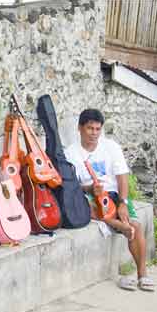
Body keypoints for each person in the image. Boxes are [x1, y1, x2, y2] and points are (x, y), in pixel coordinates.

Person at [65, 108, 154, 292]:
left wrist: (123, 202)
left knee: (135, 227)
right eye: (90, 129)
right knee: (85, 207)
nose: (94, 133)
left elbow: (122, 177)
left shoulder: (111, 147)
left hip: (113, 195)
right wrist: (89, 188)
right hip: (88, 195)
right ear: (80, 128)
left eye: (98, 129)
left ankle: (142, 275)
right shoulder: (71, 153)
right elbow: (72, 186)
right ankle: (118, 225)